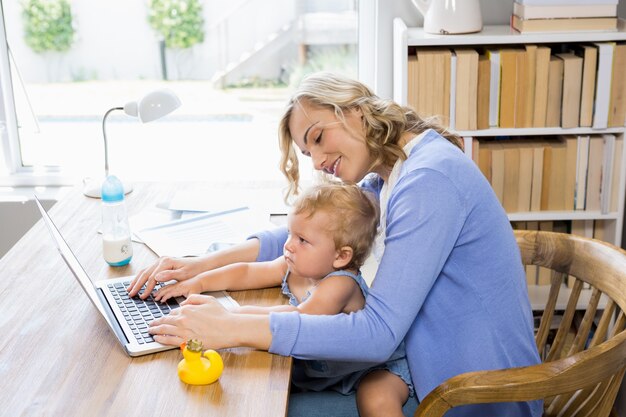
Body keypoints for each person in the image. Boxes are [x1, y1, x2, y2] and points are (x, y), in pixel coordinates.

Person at [129, 72, 542, 417]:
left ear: (356, 112)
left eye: (318, 137)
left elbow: (377, 333)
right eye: (307, 151)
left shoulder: (428, 181)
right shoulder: (390, 174)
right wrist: (197, 266)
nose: (317, 160)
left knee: (259, 401)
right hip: (426, 367)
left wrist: (233, 326)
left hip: (469, 393)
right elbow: (307, 235)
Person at [146, 182, 413, 416]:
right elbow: (248, 272)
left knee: (376, 400)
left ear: (340, 257)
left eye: (302, 239)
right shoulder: (298, 266)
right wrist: (200, 282)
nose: (288, 245)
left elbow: (300, 318)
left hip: (374, 368)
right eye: (290, 234)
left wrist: (229, 318)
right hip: (324, 370)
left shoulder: (340, 284)